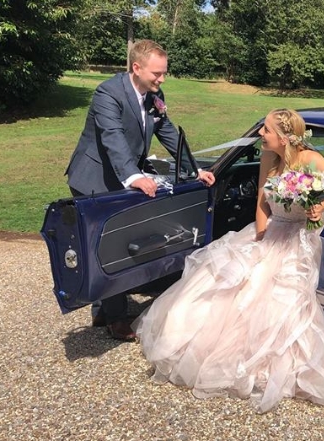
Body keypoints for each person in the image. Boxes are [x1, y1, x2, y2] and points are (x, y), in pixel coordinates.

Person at [132, 109, 324, 412]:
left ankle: (278, 363)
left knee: (282, 296)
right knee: (228, 280)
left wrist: (319, 207)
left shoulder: (311, 160)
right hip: (271, 232)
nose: (261, 135)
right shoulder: (268, 159)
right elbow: (262, 202)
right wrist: (259, 238)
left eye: (266, 131)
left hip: (299, 236)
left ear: (284, 138)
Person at [65, 39, 215, 340]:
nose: (161, 79)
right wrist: (133, 176)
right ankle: (114, 316)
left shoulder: (154, 95)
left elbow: (169, 132)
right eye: (156, 74)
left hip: (122, 175)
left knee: (118, 243)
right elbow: (113, 138)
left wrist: (194, 169)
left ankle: (107, 307)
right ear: (136, 67)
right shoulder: (108, 93)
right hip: (95, 177)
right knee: (106, 245)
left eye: (164, 73)